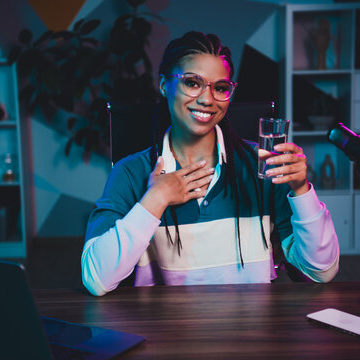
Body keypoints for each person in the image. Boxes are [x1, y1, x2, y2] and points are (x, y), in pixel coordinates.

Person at [82, 31, 339, 296]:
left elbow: (321, 271)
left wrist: (302, 190)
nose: (207, 99)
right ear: (163, 85)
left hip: (252, 330)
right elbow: (96, 279)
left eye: (219, 87)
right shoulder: (130, 172)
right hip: (165, 332)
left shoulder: (263, 164)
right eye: (192, 83)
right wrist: (155, 199)